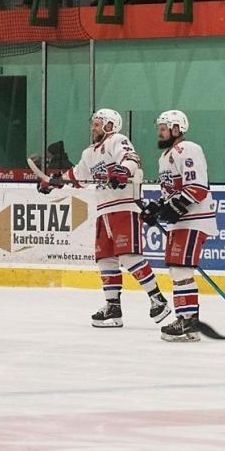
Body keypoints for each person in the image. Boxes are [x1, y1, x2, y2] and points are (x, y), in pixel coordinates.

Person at [39, 108, 170, 327]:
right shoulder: (89, 153)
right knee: (105, 259)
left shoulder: (117, 140)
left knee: (129, 256)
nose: (94, 127)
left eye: (98, 123)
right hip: (104, 210)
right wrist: (53, 182)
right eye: (94, 123)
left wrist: (122, 171)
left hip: (125, 207)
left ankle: (158, 300)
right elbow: (77, 177)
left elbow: (132, 159)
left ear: (110, 125)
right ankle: (113, 308)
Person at [140, 111, 218, 342]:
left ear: (177, 129)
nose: (159, 131)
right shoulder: (165, 157)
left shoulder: (188, 149)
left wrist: (172, 208)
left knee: (182, 269)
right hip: (182, 223)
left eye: (164, 127)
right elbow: (171, 193)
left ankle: (189, 323)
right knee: (176, 269)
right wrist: (158, 208)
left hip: (195, 220)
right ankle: (185, 319)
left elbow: (197, 187)